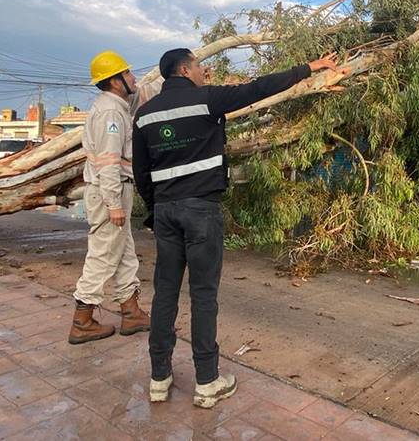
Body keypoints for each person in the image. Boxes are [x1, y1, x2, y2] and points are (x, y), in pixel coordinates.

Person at [133, 48, 343, 408]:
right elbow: (260, 88)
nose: (204, 71)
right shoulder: (207, 100)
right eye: (199, 66)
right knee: (202, 294)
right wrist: (310, 67)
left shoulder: (144, 115)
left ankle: (158, 378)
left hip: (166, 213)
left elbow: (141, 173)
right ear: (184, 69)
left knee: (165, 293)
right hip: (201, 210)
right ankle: (207, 382)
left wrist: (156, 209)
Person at [68, 50, 160, 344]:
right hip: (111, 189)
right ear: (116, 80)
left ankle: (131, 312)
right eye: (129, 73)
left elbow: (144, 94)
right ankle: (82, 320)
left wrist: (172, 77)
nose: (134, 77)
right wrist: (114, 203)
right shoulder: (110, 113)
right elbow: (108, 161)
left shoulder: (118, 104)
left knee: (123, 253)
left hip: (117, 188)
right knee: (104, 254)